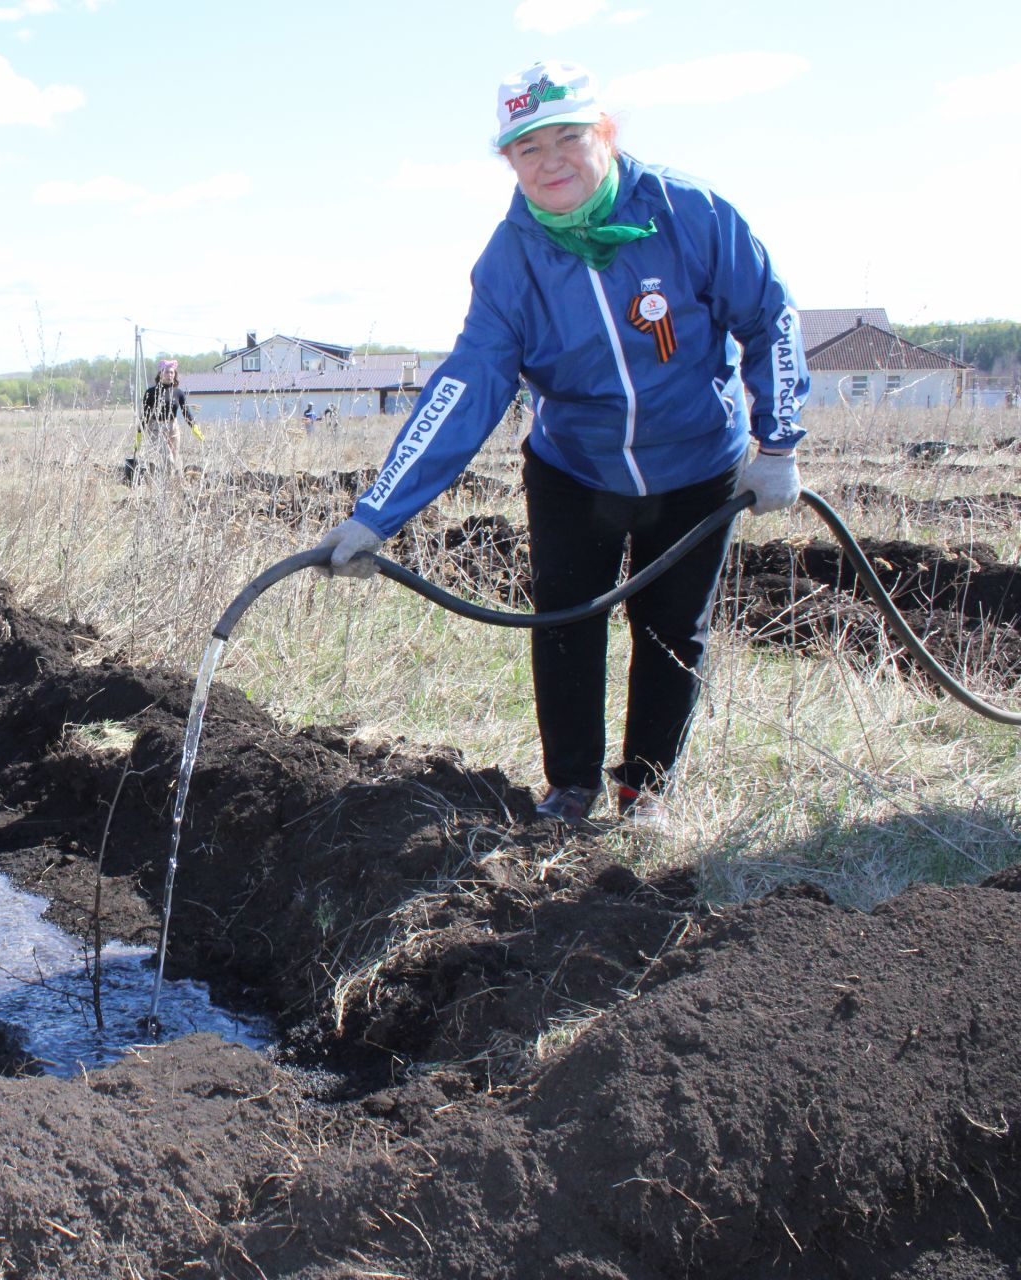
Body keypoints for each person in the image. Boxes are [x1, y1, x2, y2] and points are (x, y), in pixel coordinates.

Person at [312, 60, 806, 829]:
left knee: (673, 628)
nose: (551, 163)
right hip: (576, 469)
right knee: (566, 621)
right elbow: (470, 385)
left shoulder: (689, 213)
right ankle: (570, 787)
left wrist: (777, 444)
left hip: (697, 463)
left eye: (567, 139)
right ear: (508, 162)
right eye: (528, 150)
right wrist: (378, 513)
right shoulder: (510, 261)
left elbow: (767, 314)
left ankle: (647, 789)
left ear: (603, 134)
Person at [138, 358, 198, 470]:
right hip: (156, 428)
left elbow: (186, 413)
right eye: (166, 372)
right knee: (168, 459)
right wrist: (139, 433)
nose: (169, 375)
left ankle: (172, 483)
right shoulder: (151, 393)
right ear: (160, 374)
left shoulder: (178, 393)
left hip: (173, 428)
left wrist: (195, 428)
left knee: (175, 461)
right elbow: (145, 415)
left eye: (172, 372)